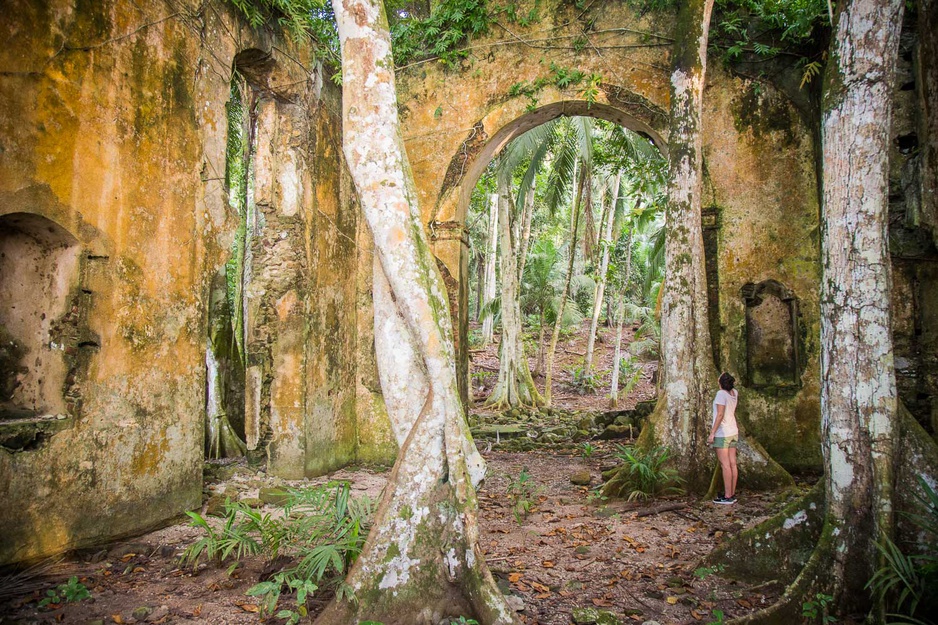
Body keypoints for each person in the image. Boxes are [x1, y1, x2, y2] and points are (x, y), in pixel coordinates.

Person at [708, 372, 739, 504]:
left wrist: (712, 433)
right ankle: (731, 493)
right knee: (732, 463)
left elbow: (720, 415)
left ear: (721, 382)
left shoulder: (721, 394)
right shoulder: (734, 393)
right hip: (733, 432)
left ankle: (727, 497)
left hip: (723, 433)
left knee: (725, 465)